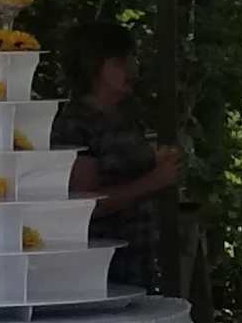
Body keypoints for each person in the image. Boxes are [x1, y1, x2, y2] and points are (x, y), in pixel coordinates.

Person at [53, 20, 183, 293]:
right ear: (94, 67)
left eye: (131, 59)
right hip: (105, 263)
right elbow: (86, 203)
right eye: (120, 62)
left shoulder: (127, 114)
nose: (132, 69)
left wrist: (156, 161)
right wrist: (154, 181)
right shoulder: (76, 124)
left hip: (140, 255)